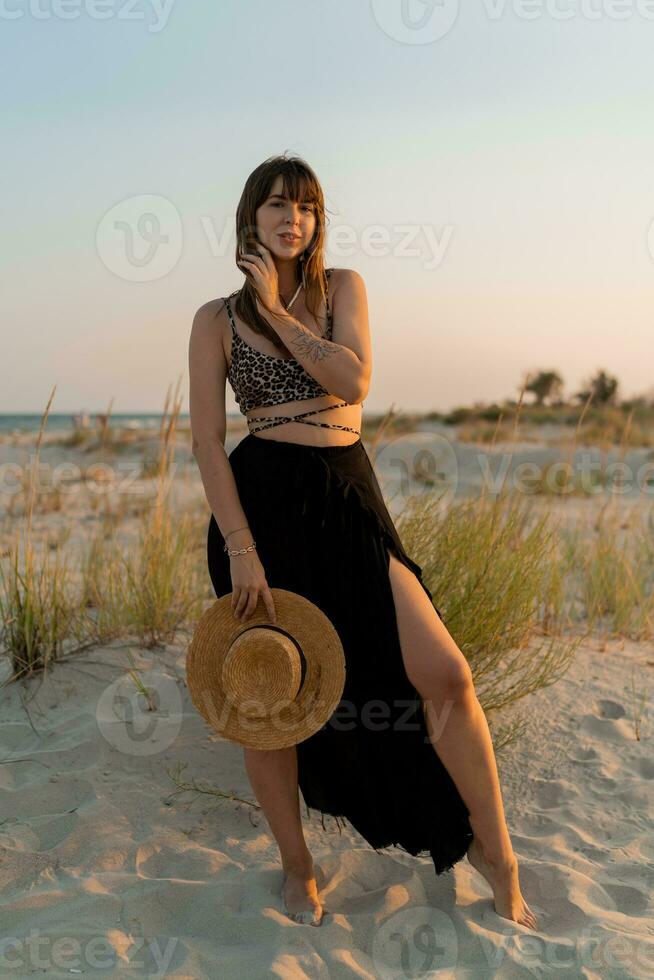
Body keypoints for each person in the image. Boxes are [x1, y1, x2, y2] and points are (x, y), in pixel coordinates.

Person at [188, 154, 537, 930]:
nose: (293, 219)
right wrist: (240, 544)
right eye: (278, 205)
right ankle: (297, 866)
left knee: (445, 674)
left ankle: (496, 850)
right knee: (266, 702)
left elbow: (353, 382)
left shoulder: (341, 288)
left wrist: (278, 313)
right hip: (260, 511)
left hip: (345, 495)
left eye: (306, 208)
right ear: (251, 216)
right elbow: (208, 444)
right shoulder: (214, 318)